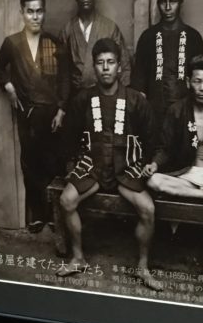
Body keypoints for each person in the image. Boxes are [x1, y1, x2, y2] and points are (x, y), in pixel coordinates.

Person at [56, 38, 163, 291]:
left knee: (148, 209)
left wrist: (152, 163)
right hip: (92, 166)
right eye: (100, 62)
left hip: (126, 168)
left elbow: (153, 140)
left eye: (111, 62)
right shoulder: (83, 99)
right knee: (66, 200)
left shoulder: (136, 100)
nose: (105, 68)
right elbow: (69, 138)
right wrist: (71, 165)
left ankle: (142, 266)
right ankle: (78, 258)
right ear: (94, 67)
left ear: (119, 67)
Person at [144, 54, 203, 292]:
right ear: (189, 82)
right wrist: (154, 164)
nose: (202, 88)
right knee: (153, 180)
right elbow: (165, 148)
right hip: (186, 175)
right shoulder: (177, 110)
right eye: (197, 81)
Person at [0, 0, 71, 232]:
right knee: (30, 163)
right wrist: (8, 86)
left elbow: (65, 78)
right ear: (22, 13)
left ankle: (55, 217)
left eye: (39, 11)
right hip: (27, 115)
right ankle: (37, 215)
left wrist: (62, 110)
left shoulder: (55, 43)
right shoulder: (12, 43)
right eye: (30, 12)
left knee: (54, 163)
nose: (35, 17)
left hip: (52, 115)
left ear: (44, 12)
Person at [131, 0, 203, 118]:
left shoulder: (193, 37)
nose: (167, 7)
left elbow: (202, 79)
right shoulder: (147, 37)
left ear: (180, 3)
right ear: (158, 3)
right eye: (163, 2)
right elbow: (138, 83)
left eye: (172, 1)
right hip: (154, 114)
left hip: (186, 114)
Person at [59, 0, 132, 92]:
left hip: (106, 94)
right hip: (77, 96)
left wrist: (124, 96)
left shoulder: (110, 28)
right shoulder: (67, 30)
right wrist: (63, 100)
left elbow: (124, 66)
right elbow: (62, 74)